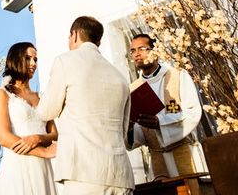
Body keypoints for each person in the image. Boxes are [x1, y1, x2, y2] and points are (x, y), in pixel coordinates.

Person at [36, 16, 134, 195]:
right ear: (99, 41)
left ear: (74, 35)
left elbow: (45, 111)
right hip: (120, 174)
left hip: (83, 172)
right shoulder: (120, 77)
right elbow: (124, 132)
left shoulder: (65, 61)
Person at [128, 33, 206, 180]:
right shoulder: (133, 89)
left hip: (185, 151)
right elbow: (139, 135)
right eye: (133, 51)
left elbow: (193, 112)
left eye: (142, 48)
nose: (137, 54)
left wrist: (160, 122)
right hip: (157, 159)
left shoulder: (177, 75)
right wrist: (130, 128)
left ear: (155, 50)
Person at [0, 42, 58, 195]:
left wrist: (37, 138)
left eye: (35, 59)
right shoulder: (2, 94)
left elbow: (54, 134)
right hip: (17, 166)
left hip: (42, 169)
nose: (33, 63)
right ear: (15, 60)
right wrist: (44, 152)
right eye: (28, 58)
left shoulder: (41, 97)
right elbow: (3, 137)